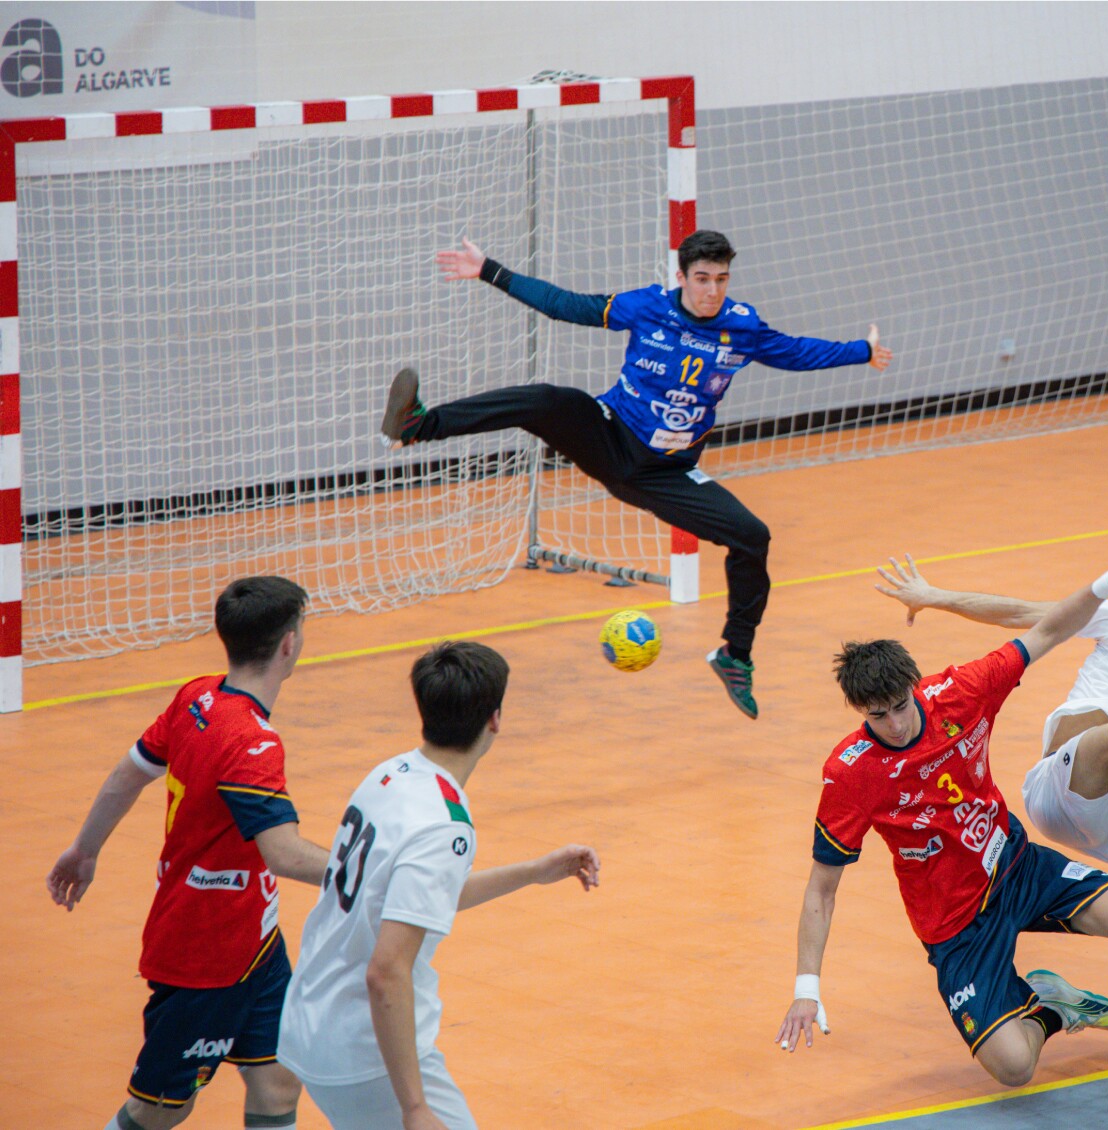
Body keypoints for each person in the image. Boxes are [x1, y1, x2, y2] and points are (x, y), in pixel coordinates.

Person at [775, 555, 1108, 1097]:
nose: (893, 723)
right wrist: (806, 987)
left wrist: (1106, 579)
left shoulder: (959, 693)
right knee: (1014, 1068)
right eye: (877, 715)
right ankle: (1051, 1007)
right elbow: (821, 889)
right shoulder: (852, 772)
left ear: (915, 686)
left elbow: (1046, 631)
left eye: (899, 706)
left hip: (1024, 867)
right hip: (958, 920)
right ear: (858, 711)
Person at [381, 229, 894, 720]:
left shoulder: (742, 327)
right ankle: (421, 425)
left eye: (721, 279)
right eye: (702, 279)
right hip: (609, 436)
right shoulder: (648, 306)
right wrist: (489, 270)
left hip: (666, 474)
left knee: (752, 536)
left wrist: (862, 351)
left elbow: (797, 352)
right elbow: (565, 305)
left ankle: (736, 655)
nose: (712, 290)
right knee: (545, 400)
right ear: (682, 277)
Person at [277, 641, 600, 1130]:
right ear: (495, 719)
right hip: (368, 1054)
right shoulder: (444, 824)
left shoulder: (390, 774)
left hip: (311, 1025)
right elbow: (386, 970)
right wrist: (414, 1107)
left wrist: (533, 872)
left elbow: (408, 900)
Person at [46, 577, 329, 1130]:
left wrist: (85, 849)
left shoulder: (197, 696)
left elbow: (129, 774)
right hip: (205, 952)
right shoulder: (252, 742)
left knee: (278, 1079)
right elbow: (285, 855)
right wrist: (367, 870)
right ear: (289, 643)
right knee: (159, 1108)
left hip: (256, 941)